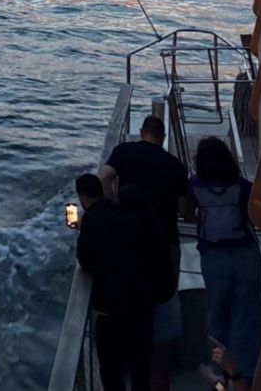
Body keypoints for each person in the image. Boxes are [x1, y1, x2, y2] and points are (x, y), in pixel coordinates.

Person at [101, 114, 189, 390]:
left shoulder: (124, 152)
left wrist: (114, 207)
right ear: (162, 138)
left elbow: (103, 178)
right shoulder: (176, 166)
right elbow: (183, 209)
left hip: (129, 240)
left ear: (142, 133)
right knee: (161, 314)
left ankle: (124, 357)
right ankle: (158, 380)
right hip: (165, 242)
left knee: (127, 300)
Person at [188, 137, 261, 391]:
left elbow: (187, 211)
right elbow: (256, 214)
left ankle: (216, 370)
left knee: (217, 312)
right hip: (246, 255)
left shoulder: (195, 186)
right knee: (247, 314)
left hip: (214, 257)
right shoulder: (241, 186)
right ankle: (245, 370)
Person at [75, 172, 155, 391]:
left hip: (111, 313)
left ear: (82, 198)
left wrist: (83, 232)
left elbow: (85, 260)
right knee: (140, 369)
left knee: (111, 372)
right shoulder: (124, 212)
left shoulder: (91, 220)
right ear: (102, 191)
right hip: (140, 308)